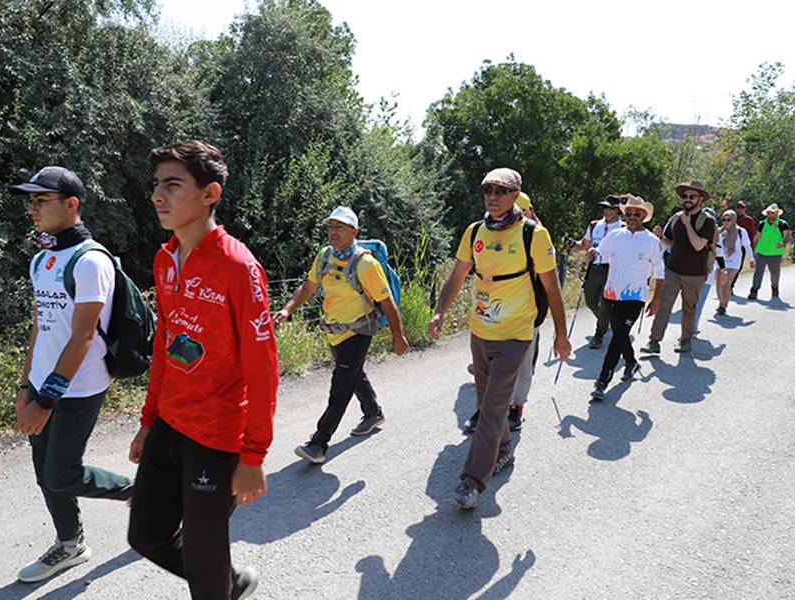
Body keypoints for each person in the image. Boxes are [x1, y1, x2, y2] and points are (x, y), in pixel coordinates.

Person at [127, 140, 278, 600]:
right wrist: (148, 421)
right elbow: (165, 348)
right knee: (145, 536)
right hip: (170, 424)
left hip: (216, 438)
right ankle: (227, 582)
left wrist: (253, 456)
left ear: (210, 193)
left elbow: (263, 368)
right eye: (156, 185)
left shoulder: (238, 266)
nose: (158, 196)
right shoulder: (164, 258)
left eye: (173, 185)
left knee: (204, 556)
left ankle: (216, 583)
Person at [11, 166, 133, 583]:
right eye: (30, 200)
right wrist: (27, 386)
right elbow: (40, 325)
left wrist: (46, 402)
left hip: (79, 388)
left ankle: (143, 492)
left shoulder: (90, 261)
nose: (32, 208)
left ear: (71, 204)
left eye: (40, 200)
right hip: (43, 383)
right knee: (44, 470)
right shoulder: (42, 258)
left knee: (62, 473)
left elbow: (82, 337)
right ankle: (70, 543)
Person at [428, 167, 570, 510]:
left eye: (501, 191)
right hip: (480, 331)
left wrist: (561, 335)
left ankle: (472, 481)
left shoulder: (534, 234)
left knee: (490, 408)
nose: (493, 196)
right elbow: (458, 275)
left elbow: (552, 288)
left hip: (516, 334)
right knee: (487, 401)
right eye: (488, 190)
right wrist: (439, 311)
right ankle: (503, 450)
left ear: (515, 194)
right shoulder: (475, 231)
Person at [274, 206, 408, 464]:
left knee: (341, 387)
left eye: (340, 227)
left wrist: (398, 336)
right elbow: (309, 286)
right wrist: (287, 309)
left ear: (354, 232)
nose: (333, 232)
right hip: (334, 329)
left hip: (358, 330)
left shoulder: (365, 264)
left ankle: (319, 442)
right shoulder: (325, 256)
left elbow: (387, 302)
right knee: (353, 374)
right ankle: (373, 413)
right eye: (331, 227)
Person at [463, 191, 541, 433]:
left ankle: (517, 407)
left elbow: (546, 284)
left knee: (524, 366)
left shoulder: (535, 237)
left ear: (528, 212)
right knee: (489, 369)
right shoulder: (486, 232)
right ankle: (486, 409)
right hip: (489, 315)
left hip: (524, 316)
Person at [588, 195, 664, 400]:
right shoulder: (615, 235)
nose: (631, 217)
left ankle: (602, 381)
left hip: (634, 298)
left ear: (644, 216)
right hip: (611, 294)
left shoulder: (652, 241)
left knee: (617, 337)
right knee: (620, 335)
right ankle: (631, 363)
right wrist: (593, 253)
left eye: (636, 214)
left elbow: (660, 271)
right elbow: (600, 252)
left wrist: (656, 299)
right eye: (628, 213)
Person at [640, 180, 717, 354]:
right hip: (673, 270)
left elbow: (698, 245)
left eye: (692, 196)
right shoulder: (675, 219)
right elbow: (670, 243)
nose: (688, 199)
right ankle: (654, 341)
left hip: (695, 274)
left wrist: (688, 224)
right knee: (663, 306)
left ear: (701, 199)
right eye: (685, 196)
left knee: (689, 309)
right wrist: (659, 237)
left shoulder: (707, 221)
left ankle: (685, 340)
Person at [567, 195, 624, 348]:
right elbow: (584, 244)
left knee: (606, 303)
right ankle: (608, 322)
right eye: (605, 207)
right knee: (590, 301)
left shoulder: (623, 228)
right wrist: (573, 244)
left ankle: (599, 334)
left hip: (612, 270)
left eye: (611, 208)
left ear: (617, 210)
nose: (607, 211)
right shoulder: (594, 225)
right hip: (594, 269)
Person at [748, 203, 792, 300]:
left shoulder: (782, 224)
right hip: (761, 252)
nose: (770, 215)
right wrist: (753, 250)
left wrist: (783, 242)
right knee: (758, 272)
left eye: (772, 213)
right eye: (768, 213)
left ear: (777, 213)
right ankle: (754, 291)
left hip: (775, 253)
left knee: (775, 273)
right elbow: (757, 237)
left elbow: (788, 236)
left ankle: (775, 288)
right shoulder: (762, 224)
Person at [714, 209, 754, 315]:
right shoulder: (719, 231)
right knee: (719, 283)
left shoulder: (741, 232)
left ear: (734, 220)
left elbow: (747, 246)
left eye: (729, 219)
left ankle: (723, 306)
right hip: (720, 261)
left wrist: (751, 259)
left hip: (734, 262)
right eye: (723, 219)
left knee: (726, 282)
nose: (726, 222)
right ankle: (721, 302)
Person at [728, 200, 757, 293]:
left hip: (742, 247)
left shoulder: (749, 220)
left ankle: (731, 285)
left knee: (738, 267)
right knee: (727, 265)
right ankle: (726, 284)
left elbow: (751, 234)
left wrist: (751, 249)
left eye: (742, 208)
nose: (740, 210)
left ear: (745, 209)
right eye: (738, 207)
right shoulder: (731, 218)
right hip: (729, 245)